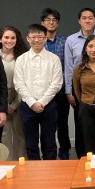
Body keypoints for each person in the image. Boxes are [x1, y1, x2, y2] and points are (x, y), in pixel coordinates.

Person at [64, 8, 95, 157]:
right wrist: (69, 92)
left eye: (90, 18)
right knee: (84, 136)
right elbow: (69, 68)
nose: (87, 20)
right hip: (84, 97)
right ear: (79, 20)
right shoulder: (71, 41)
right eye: (84, 18)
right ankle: (84, 163)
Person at [14, 24, 63, 160]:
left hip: (49, 106)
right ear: (27, 39)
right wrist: (32, 102)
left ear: (45, 38)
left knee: (50, 143)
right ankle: (34, 175)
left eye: (40, 37)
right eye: (33, 37)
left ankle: (50, 173)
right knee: (31, 144)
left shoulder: (54, 59)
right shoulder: (21, 59)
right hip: (27, 106)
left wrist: (41, 102)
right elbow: (19, 84)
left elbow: (57, 83)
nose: (37, 40)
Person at [0, 26, 28, 160]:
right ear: (0, 39)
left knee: (20, 134)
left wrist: (14, 104)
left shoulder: (23, 57)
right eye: (6, 37)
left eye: (13, 37)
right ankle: (6, 163)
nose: (9, 40)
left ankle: (22, 161)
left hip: (20, 98)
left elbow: (25, 83)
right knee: (4, 134)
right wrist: (3, 105)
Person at [40, 8, 71, 159]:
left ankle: (64, 152)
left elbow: (68, 66)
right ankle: (48, 154)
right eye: (48, 20)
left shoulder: (66, 42)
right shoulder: (37, 43)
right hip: (43, 92)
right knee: (47, 126)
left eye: (54, 20)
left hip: (61, 90)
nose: (51, 23)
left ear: (58, 23)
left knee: (63, 124)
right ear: (42, 23)